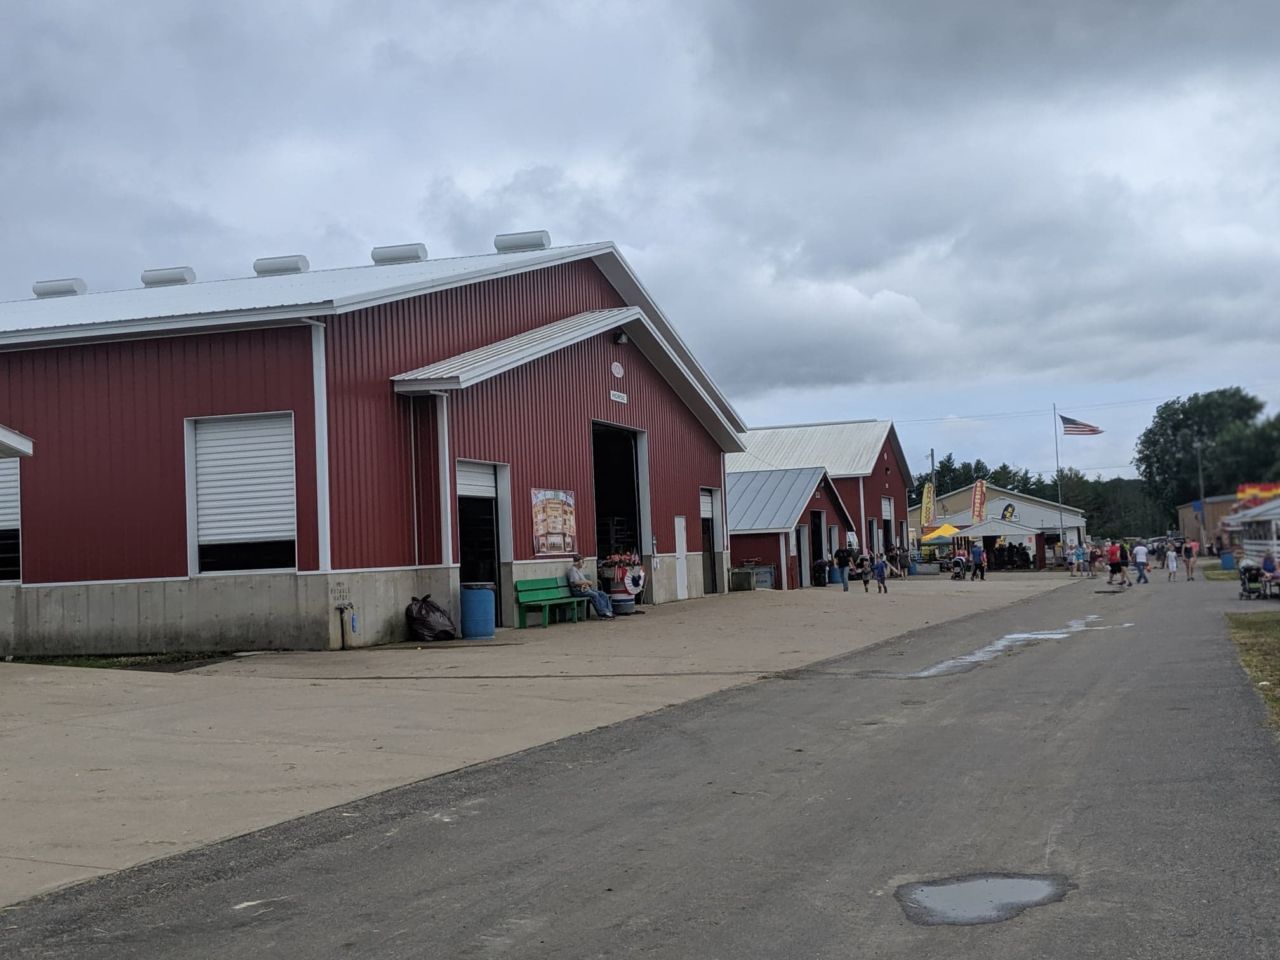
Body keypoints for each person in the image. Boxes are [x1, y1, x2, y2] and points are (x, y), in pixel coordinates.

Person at [567, 554, 614, 620]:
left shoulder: (578, 570)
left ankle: (609, 612)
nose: (583, 562)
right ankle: (603, 613)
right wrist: (587, 582)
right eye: (582, 561)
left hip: (585, 589)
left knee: (602, 594)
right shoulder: (573, 570)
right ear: (578, 562)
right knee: (594, 595)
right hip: (578, 591)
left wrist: (587, 583)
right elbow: (575, 583)